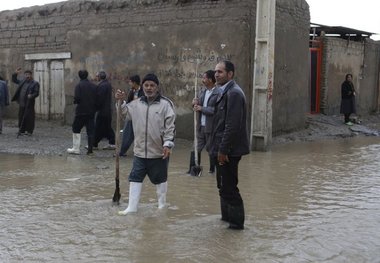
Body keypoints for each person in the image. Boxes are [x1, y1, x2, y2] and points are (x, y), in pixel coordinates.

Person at [116, 73, 175, 215]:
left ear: (157, 87)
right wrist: (120, 101)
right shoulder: (136, 104)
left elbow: (170, 127)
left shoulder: (166, 104)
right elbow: (123, 112)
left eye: (152, 85)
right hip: (140, 151)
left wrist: (167, 144)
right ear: (143, 87)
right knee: (135, 177)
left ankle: (162, 205)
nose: (149, 88)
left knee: (160, 179)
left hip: (159, 151)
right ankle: (131, 207)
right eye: (146, 85)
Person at [209, 60, 249, 230]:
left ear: (230, 74)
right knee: (223, 186)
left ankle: (236, 225)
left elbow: (232, 126)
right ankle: (226, 219)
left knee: (229, 187)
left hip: (229, 150)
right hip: (221, 147)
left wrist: (223, 150)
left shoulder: (234, 93)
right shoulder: (223, 91)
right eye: (216, 72)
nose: (216, 74)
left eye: (220, 72)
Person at [191, 70, 221, 174]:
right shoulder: (202, 92)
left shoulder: (218, 93)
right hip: (200, 126)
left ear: (210, 79)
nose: (202, 80)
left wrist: (201, 108)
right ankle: (193, 171)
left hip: (211, 127)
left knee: (211, 151)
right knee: (195, 149)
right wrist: (194, 103)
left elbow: (215, 110)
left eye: (204, 78)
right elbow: (197, 106)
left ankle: (212, 171)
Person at [67, 70, 98, 155]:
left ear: (79, 76)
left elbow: (77, 98)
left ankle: (76, 149)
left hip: (81, 111)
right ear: (87, 75)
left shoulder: (79, 86)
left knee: (76, 128)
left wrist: (75, 101)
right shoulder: (94, 86)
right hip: (91, 112)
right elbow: (97, 99)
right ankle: (90, 150)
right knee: (90, 131)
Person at [119, 75, 144, 156]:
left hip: (140, 117)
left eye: (130, 82)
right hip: (132, 116)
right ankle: (122, 152)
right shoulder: (132, 91)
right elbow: (129, 102)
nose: (129, 83)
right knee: (127, 134)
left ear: (134, 82)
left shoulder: (143, 92)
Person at [11, 68, 40, 135]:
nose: (27, 76)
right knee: (21, 116)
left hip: (29, 103)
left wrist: (31, 96)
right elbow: (14, 80)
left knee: (29, 117)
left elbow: (36, 93)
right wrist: (15, 73)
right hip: (22, 102)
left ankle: (29, 131)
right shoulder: (22, 81)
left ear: (31, 75)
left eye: (28, 74)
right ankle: (21, 130)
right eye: (26, 74)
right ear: (24, 75)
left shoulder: (35, 83)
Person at [93, 71, 116, 150]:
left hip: (103, 111)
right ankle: (112, 143)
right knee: (106, 128)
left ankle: (94, 144)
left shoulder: (102, 85)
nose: (96, 78)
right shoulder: (107, 84)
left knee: (98, 128)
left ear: (99, 77)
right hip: (107, 110)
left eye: (96, 76)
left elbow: (100, 99)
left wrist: (95, 107)